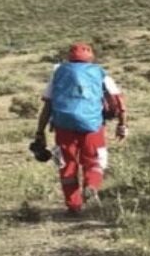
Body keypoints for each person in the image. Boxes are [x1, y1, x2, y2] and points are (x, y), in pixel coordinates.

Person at [33, 43, 127, 213]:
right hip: (92, 126)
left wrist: (40, 131)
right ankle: (91, 185)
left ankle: (73, 206)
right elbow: (118, 100)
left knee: (66, 164)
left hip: (63, 126)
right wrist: (122, 124)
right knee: (95, 160)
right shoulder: (99, 72)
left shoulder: (59, 72)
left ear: (69, 57)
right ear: (91, 57)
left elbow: (48, 105)